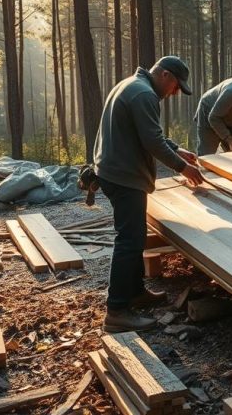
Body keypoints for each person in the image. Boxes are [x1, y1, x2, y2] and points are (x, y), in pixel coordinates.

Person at [93, 56, 204, 332]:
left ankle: (135, 292)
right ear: (165, 75)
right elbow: (152, 141)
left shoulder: (132, 85)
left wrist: (177, 149)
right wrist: (183, 168)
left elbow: (147, 132)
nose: (175, 92)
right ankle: (117, 311)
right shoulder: (144, 94)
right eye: (176, 86)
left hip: (114, 170)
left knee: (135, 237)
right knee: (129, 241)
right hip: (124, 176)